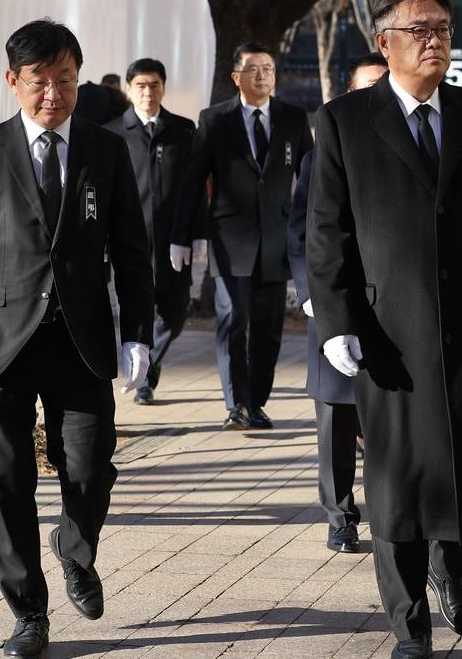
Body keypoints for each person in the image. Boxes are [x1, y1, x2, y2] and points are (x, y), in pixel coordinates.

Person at [307, 0, 462, 659]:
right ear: (386, 42)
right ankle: (409, 624)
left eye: (443, 28)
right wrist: (338, 320)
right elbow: (327, 230)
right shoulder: (345, 121)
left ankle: (449, 562)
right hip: (388, 333)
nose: (435, 41)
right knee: (398, 478)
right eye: (420, 30)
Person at [0, 18, 154, 658]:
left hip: (81, 344)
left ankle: (74, 548)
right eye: (40, 83)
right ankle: (28, 614)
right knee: (6, 483)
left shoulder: (106, 149)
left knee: (92, 470)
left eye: (65, 81)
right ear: (13, 81)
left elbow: (132, 249)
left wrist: (139, 336)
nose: (54, 95)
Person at [171, 42, 313, 431]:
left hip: (276, 242)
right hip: (230, 238)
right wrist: (181, 236)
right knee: (233, 318)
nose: (263, 75)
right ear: (237, 77)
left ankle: (257, 402)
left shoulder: (293, 118)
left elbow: (313, 179)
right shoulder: (215, 120)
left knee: (268, 327)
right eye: (254, 69)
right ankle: (236, 405)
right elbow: (193, 179)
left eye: (268, 68)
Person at [287, 52, 386, 556]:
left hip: (389, 311)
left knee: (386, 421)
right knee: (335, 421)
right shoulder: (317, 156)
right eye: (366, 87)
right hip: (333, 306)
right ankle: (340, 516)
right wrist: (310, 295)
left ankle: (392, 513)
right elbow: (301, 236)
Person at [104, 58, 203, 404]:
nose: (148, 92)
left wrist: (197, 233)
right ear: (129, 89)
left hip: (174, 241)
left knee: (176, 314)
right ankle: (143, 379)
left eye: (155, 85)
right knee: (140, 312)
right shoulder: (112, 133)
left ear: (164, 87)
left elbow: (195, 187)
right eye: (141, 86)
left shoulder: (183, 130)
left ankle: (153, 358)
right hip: (130, 243)